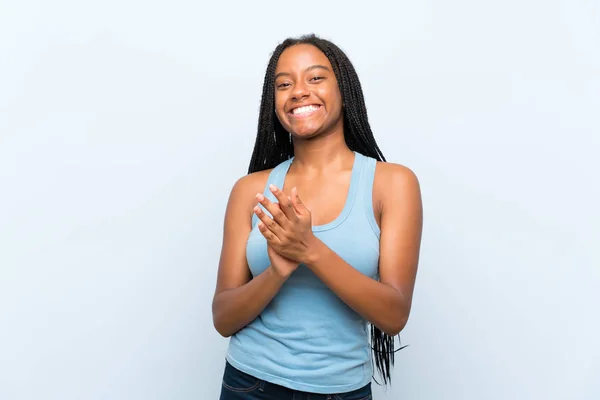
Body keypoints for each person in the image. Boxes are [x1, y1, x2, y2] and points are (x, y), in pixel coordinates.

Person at [211, 34, 423, 400]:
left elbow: (394, 315)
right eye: (283, 84)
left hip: (340, 391)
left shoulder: (392, 184)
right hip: (249, 384)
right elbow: (223, 318)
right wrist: (277, 271)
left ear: (344, 89)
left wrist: (309, 249)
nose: (298, 91)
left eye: (315, 78)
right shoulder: (250, 190)